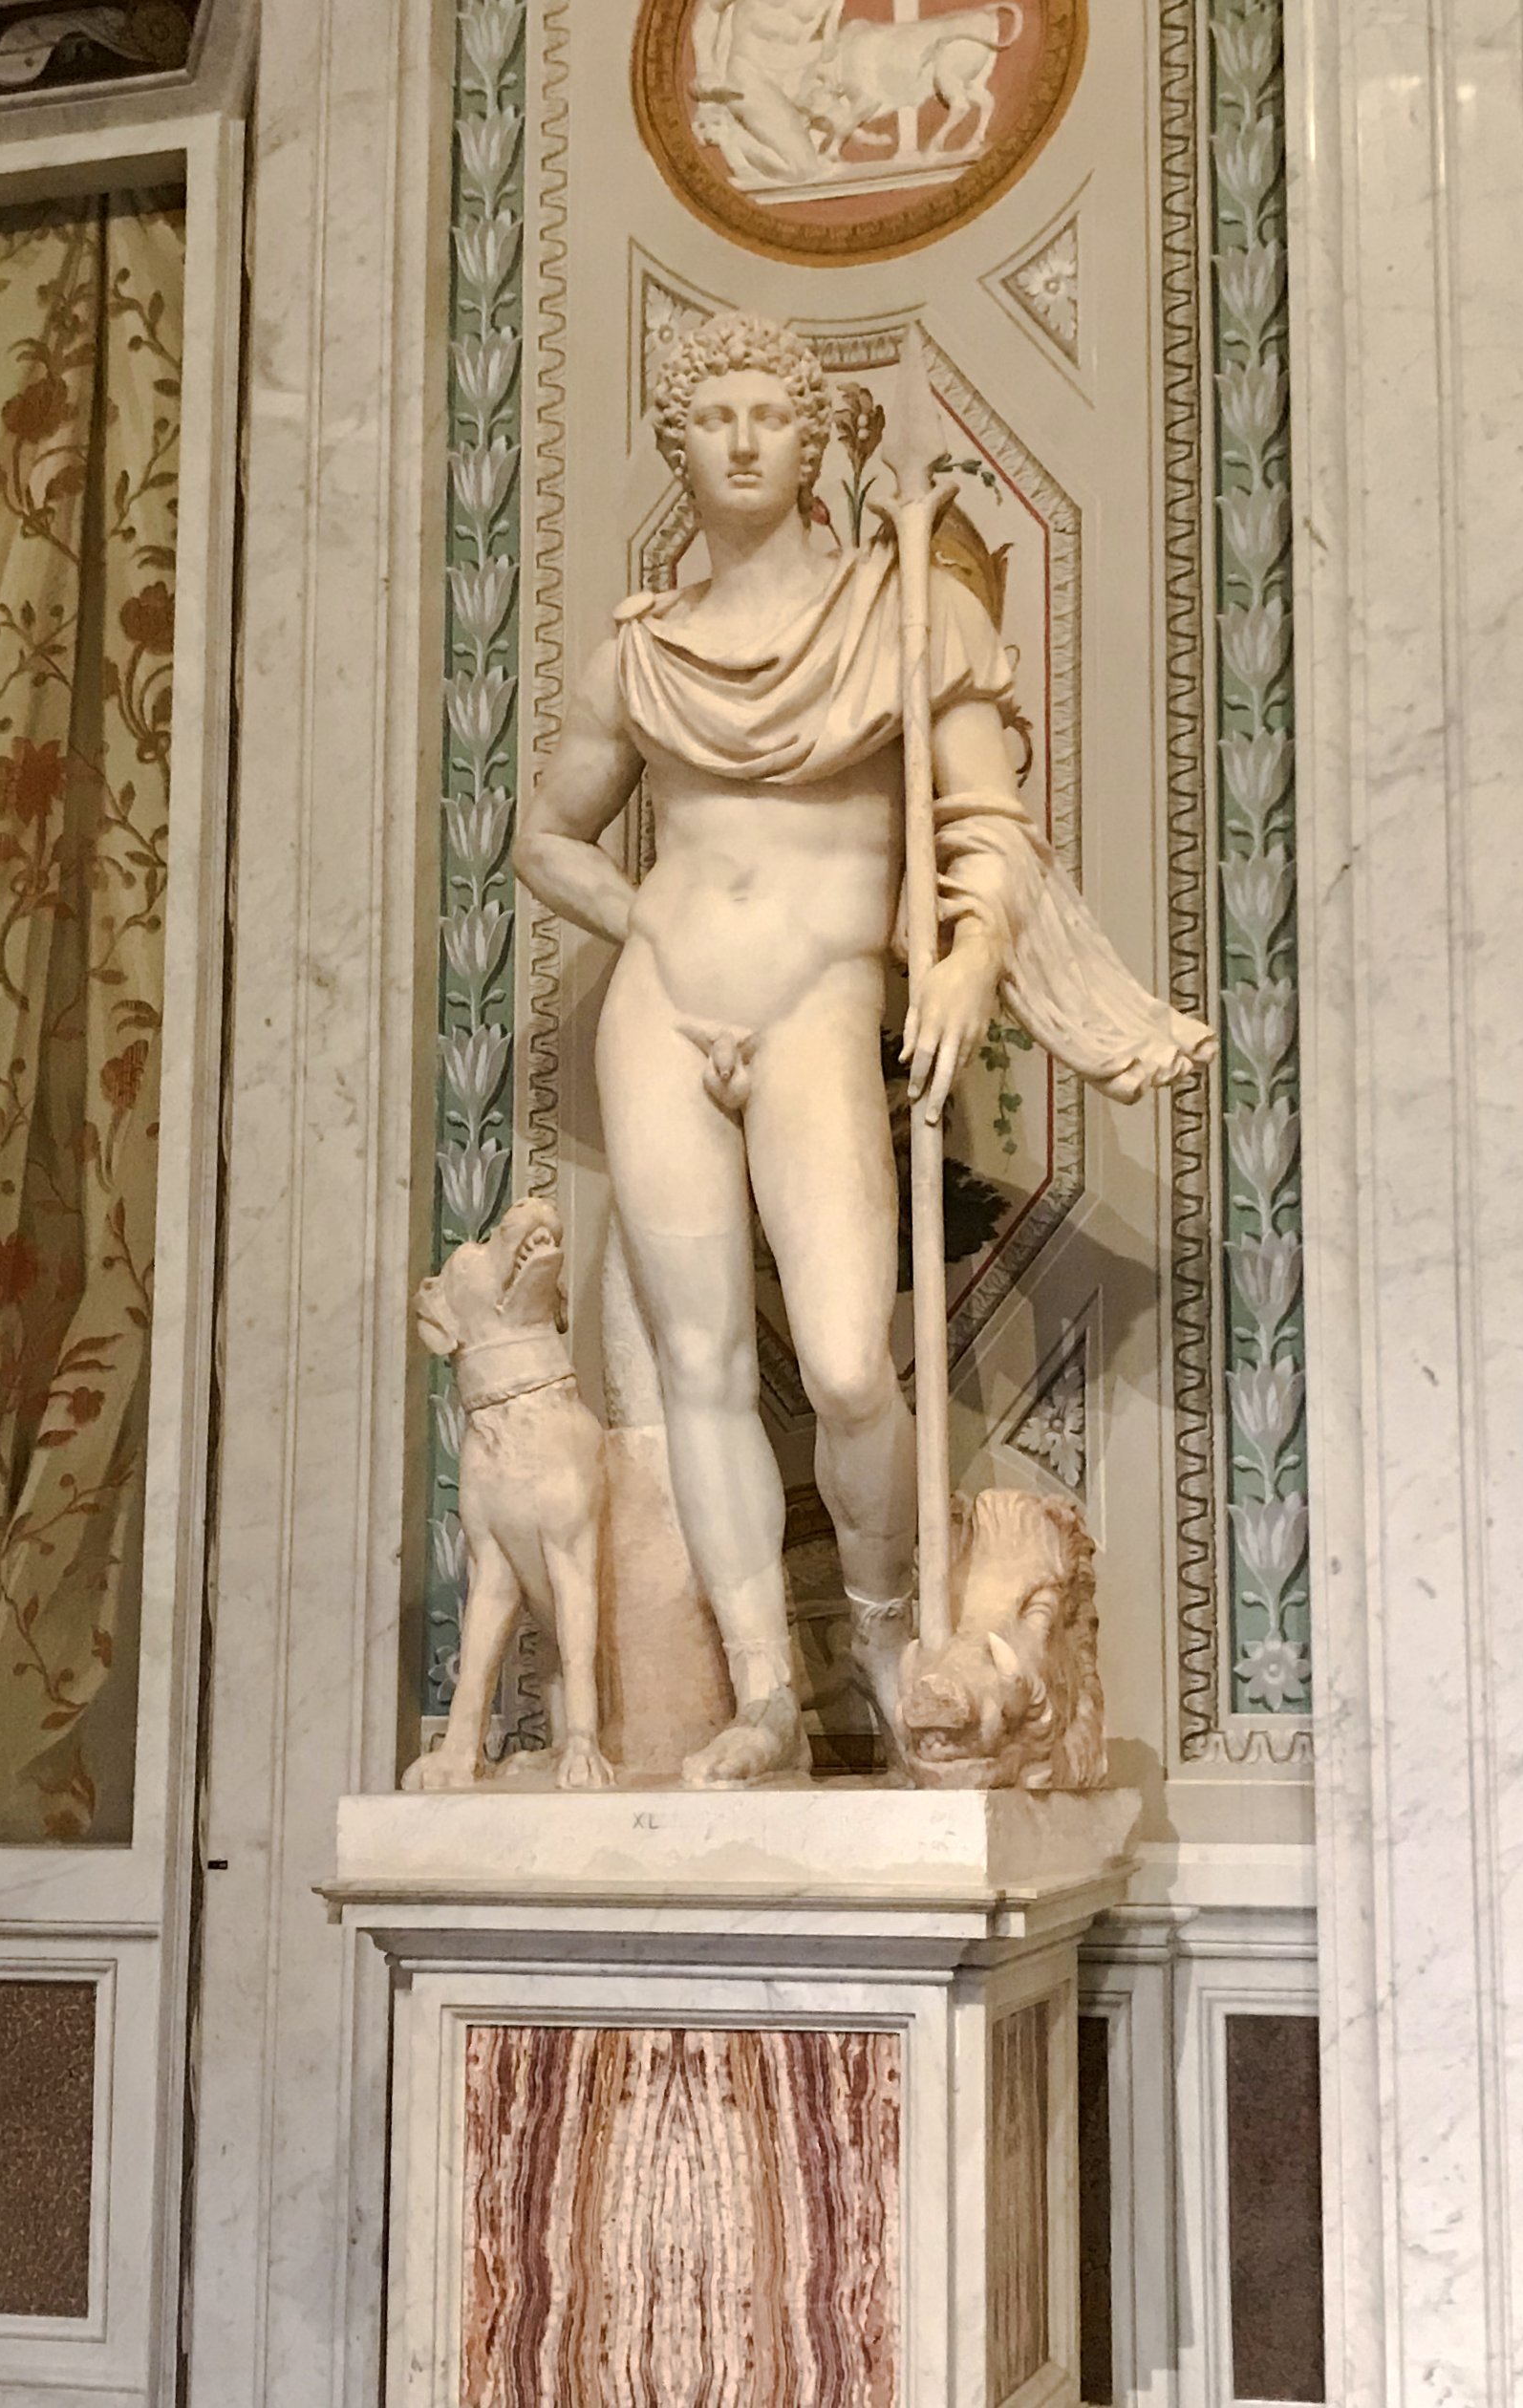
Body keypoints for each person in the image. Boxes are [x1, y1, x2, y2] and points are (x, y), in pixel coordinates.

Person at [519, 312, 1204, 1785]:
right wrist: (650, 926)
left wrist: (963, 958)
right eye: (719, 416)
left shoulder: (904, 615)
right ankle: (767, 1693)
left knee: (841, 1367)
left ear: (816, 441)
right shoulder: (644, 655)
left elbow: (989, 827)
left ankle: (892, 1640)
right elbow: (544, 835)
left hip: (824, 1000)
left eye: (777, 413)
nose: (749, 438)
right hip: (663, 1011)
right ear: (678, 442)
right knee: (700, 1361)